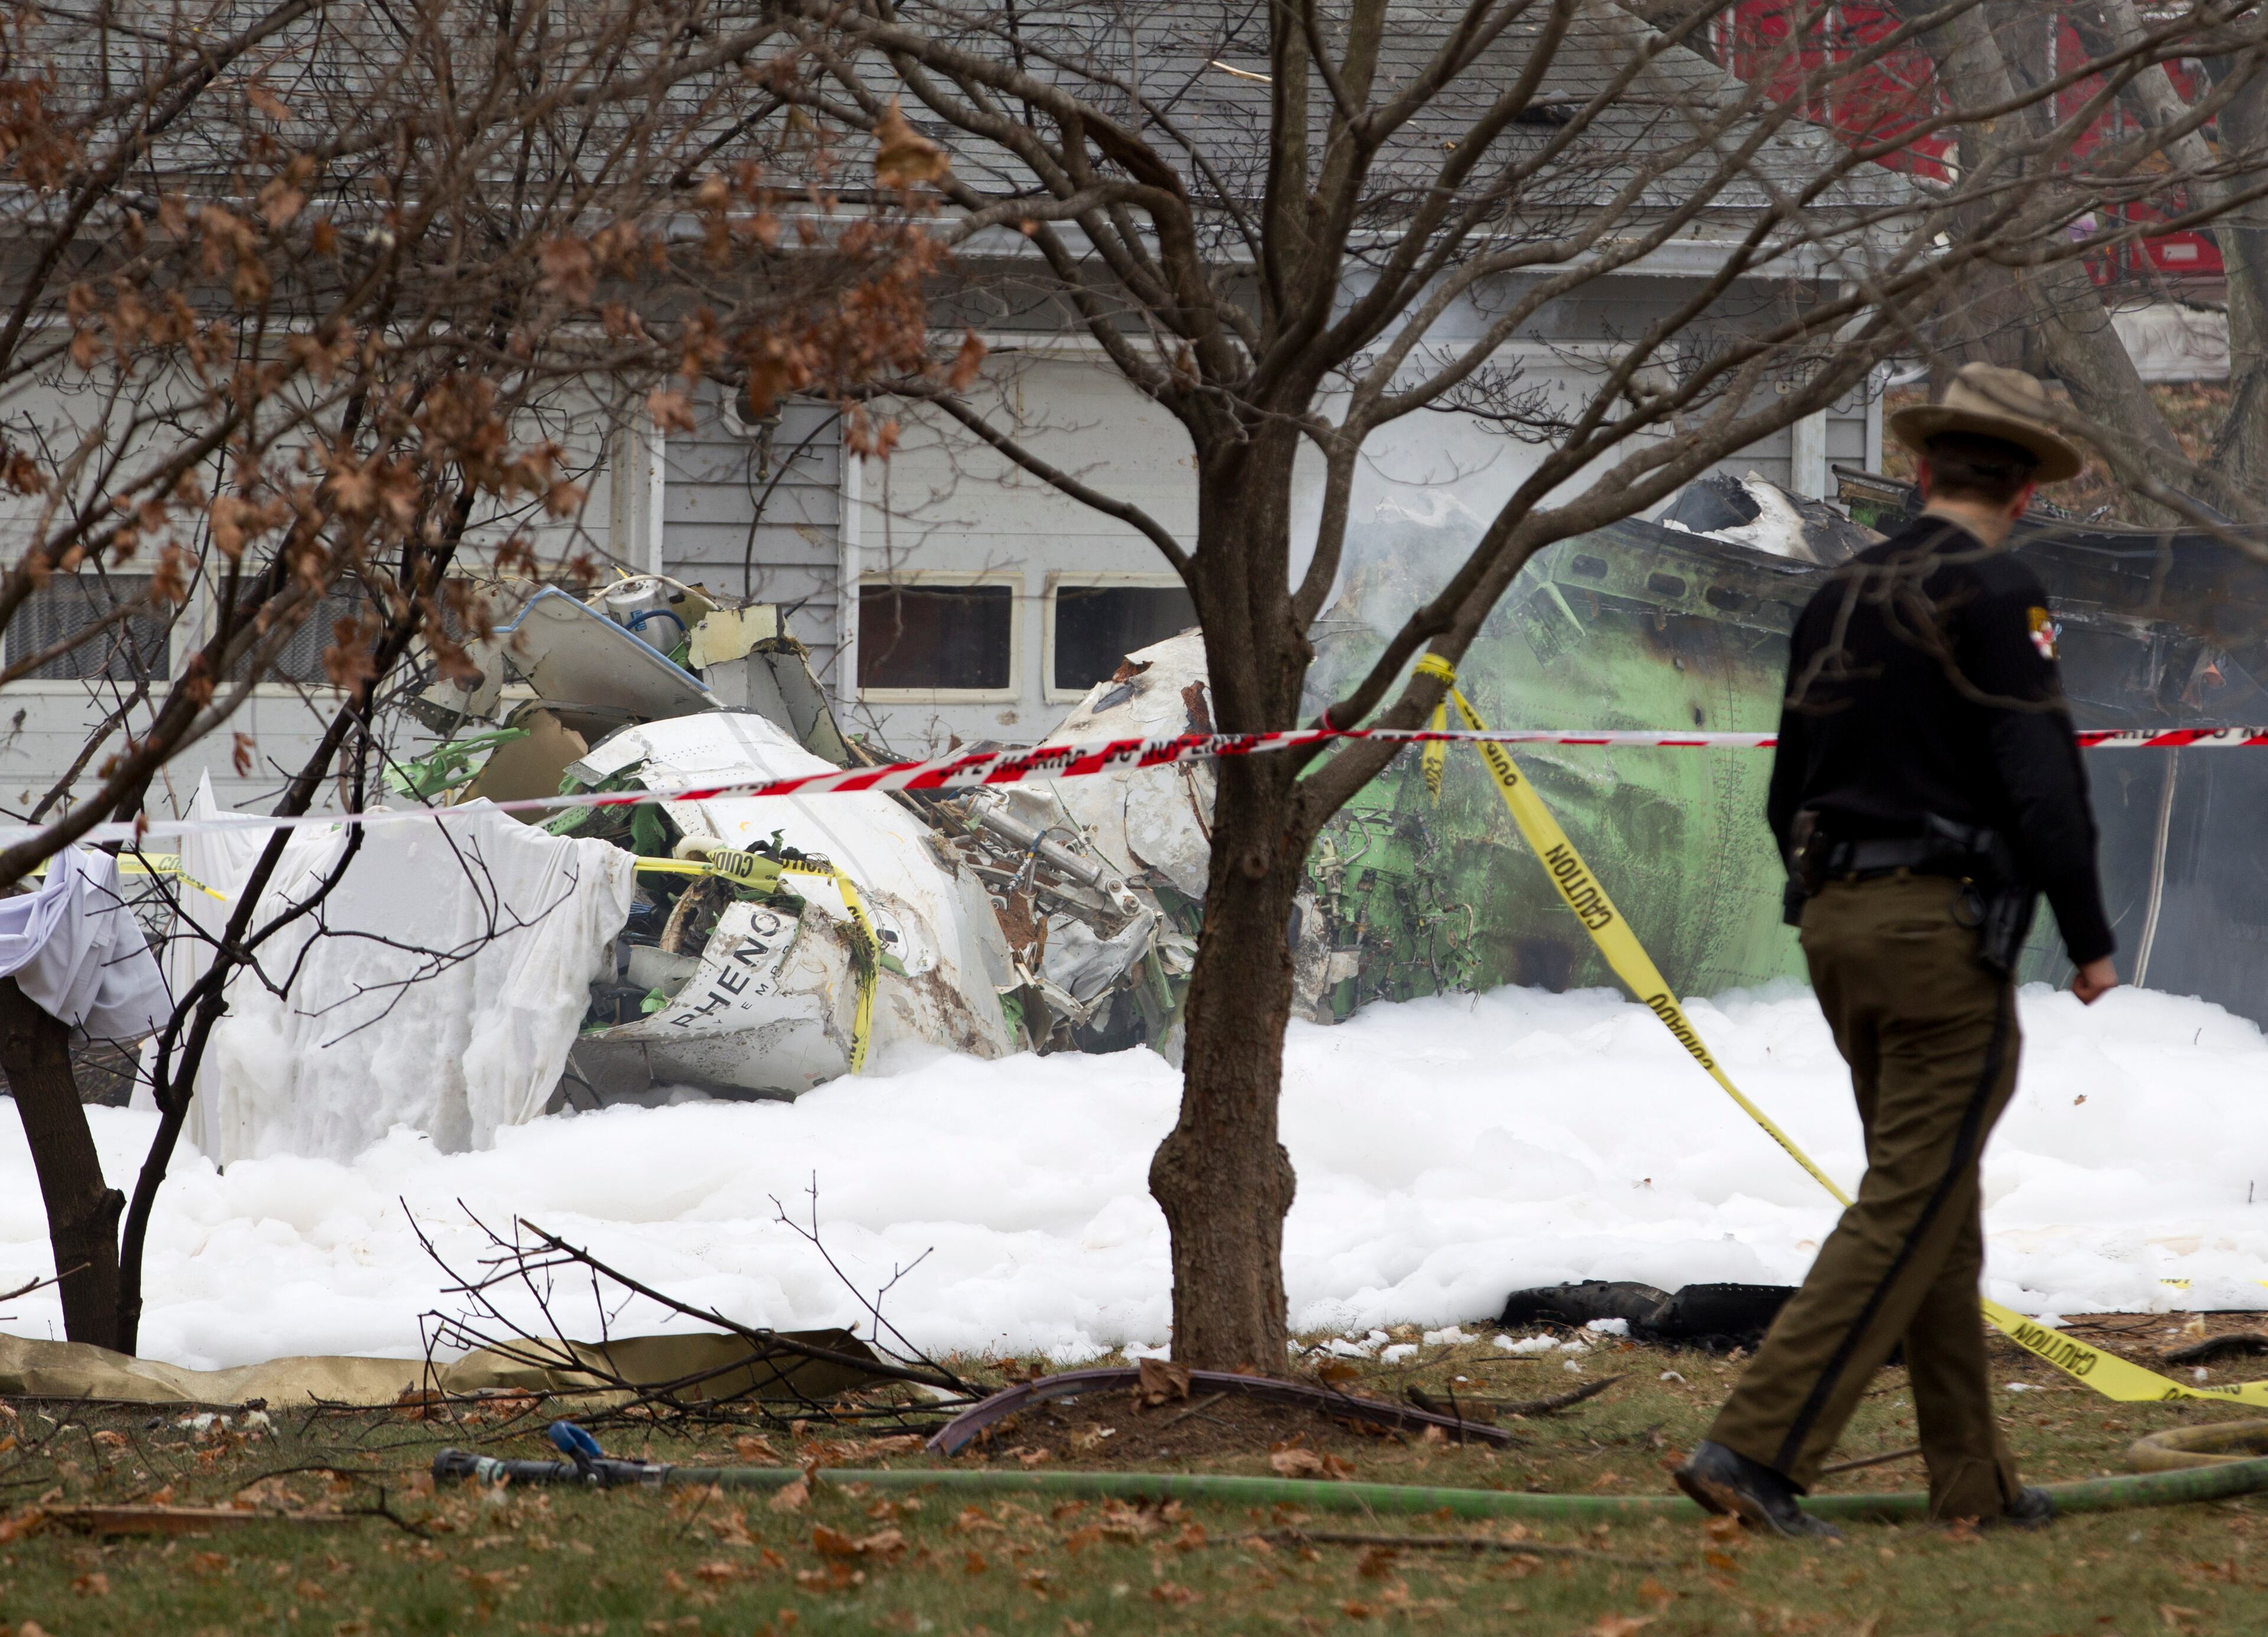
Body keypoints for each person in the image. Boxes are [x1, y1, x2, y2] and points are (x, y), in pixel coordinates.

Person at [1673, 363, 2120, 1538]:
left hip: (1836, 923)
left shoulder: (1838, 591)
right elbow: (2043, 779)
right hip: (1937, 934)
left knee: (1937, 1205)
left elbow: (1787, 786)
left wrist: (1827, 900)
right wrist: (2088, 938)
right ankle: (1755, 1450)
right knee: (1909, 1202)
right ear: (2022, 488)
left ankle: (1972, 1488)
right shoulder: (1999, 589)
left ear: (1921, 474)